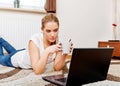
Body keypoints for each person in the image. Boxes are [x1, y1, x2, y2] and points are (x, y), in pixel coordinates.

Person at [0, 13, 72, 75]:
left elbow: (57, 67)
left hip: (25, 52)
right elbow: (37, 71)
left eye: (55, 30)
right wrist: (47, 51)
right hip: (15, 59)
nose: (53, 34)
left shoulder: (58, 41)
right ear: (42, 30)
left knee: (13, 51)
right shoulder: (35, 40)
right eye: (48, 31)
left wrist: (65, 52)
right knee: (1, 57)